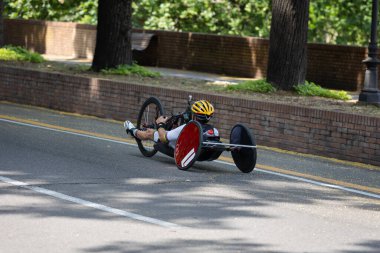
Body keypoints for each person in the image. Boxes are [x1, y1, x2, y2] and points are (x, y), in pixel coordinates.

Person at [124, 100, 220, 150]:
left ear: (194, 115)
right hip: (198, 151)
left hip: (176, 146)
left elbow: (163, 138)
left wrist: (160, 124)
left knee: (150, 133)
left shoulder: (186, 128)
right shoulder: (214, 131)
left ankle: (132, 131)